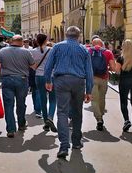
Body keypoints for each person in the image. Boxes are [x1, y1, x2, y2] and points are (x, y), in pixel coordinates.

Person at [44, 26, 93, 159]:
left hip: (61, 81)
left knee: (62, 112)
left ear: (66, 35)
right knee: (77, 112)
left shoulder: (57, 47)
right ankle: (76, 142)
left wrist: (48, 80)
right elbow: (89, 71)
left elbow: (48, 66)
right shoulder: (84, 49)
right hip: (78, 82)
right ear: (78, 36)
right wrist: (89, 90)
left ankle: (64, 145)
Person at [0, 35, 35, 138]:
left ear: (12, 41)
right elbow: (34, 66)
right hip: (22, 80)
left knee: (8, 105)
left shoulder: (2, 51)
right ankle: (21, 124)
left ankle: (11, 129)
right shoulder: (26, 52)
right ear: (21, 42)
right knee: (21, 103)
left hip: (7, 80)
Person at [88, 38, 116, 131]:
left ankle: (99, 119)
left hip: (92, 78)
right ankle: (101, 115)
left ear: (92, 43)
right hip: (104, 78)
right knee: (101, 98)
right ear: (102, 44)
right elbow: (113, 68)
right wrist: (107, 67)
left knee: (94, 100)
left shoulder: (88, 51)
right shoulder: (108, 52)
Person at [115, 40, 132, 131]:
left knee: (124, 102)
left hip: (124, 81)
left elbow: (117, 71)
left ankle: (127, 121)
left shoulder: (120, 58)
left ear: (124, 47)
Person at [32, 34, 57, 132]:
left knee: (43, 99)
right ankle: (50, 117)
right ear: (46, 40)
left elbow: (32, 65)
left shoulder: (33, 51)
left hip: (39, 76)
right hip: (51, 76)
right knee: (53, 99)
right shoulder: (52, 50)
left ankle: (46, 121)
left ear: (37, 41)